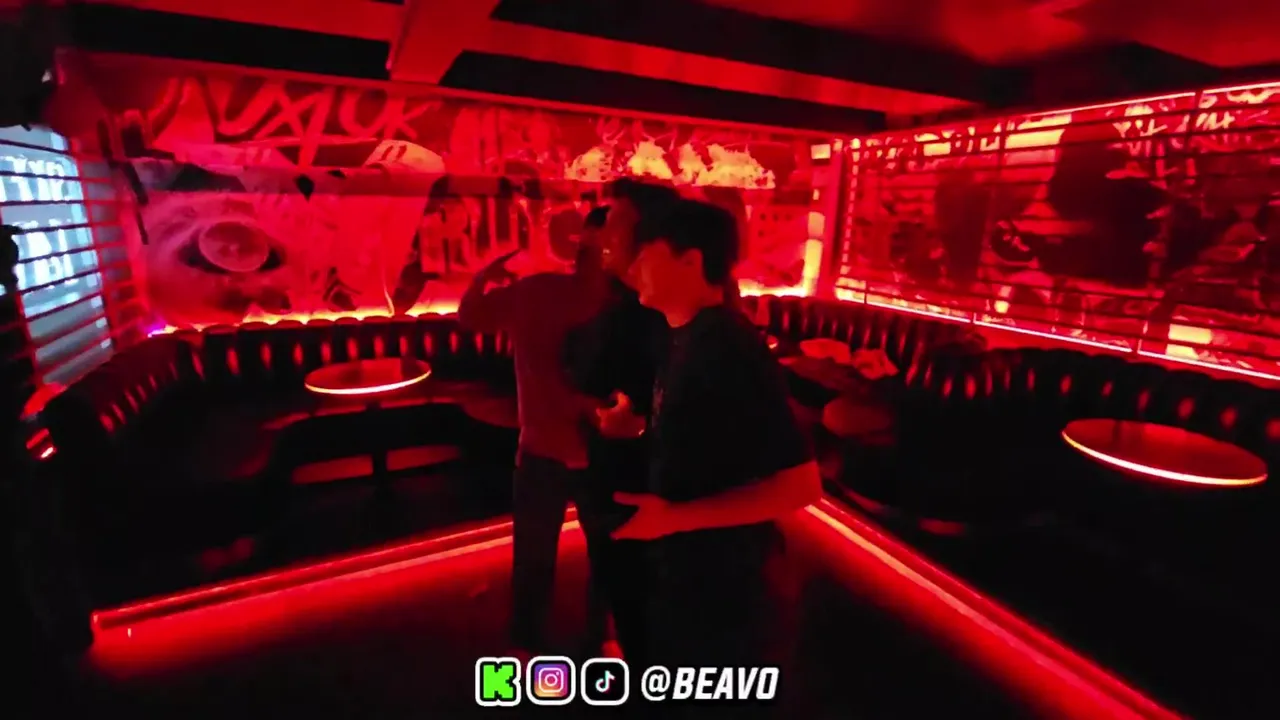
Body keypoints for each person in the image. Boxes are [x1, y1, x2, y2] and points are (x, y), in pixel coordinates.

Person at [603, 199, 821, 710]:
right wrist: (638, 426)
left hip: (730, 591)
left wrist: (673, 518)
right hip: (694, 578)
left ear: (691, 261)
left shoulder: (726, 344)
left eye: (647, 253)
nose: (634, 267)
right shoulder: (685, 335)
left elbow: (800, 485)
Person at [457, 209, 613, 657]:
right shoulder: (630, 301)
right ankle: (602, 638)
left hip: (550, 449)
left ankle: (532, 644)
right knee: (607, 553)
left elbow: (470, 316)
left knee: (536, 557)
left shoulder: (535, 292)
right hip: (599, 450)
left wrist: (482, 279)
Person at [563, 179, 683, 665]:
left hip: (646, 494)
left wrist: (640, 426)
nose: (600, 234)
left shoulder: (669, 314)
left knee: (648, 614)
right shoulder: (620, 305)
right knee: (626, 595)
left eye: (614, 222)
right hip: (619, 484)